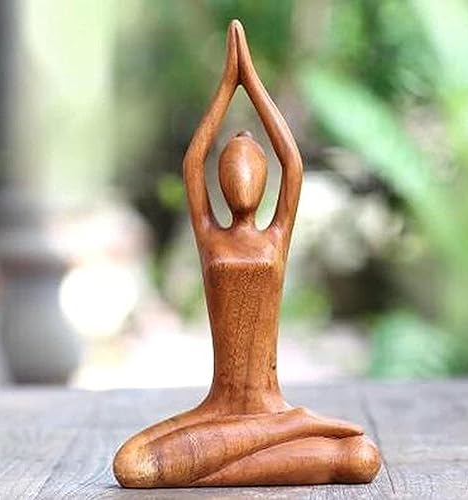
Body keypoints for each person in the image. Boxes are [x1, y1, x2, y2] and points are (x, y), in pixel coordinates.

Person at [113, 20, 380, 487]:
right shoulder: (210, 235)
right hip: (218, 413)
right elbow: (192, 161)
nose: (241, 179)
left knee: (360, 458)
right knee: (133, 464)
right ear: (219, 181)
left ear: (263, 179)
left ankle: (247, 453)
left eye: (251, 169)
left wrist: (251, 80)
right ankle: (272, 444)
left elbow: (292, 161)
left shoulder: (276, 234)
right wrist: (227, 85)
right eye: (231, 169)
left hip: (270, 408)